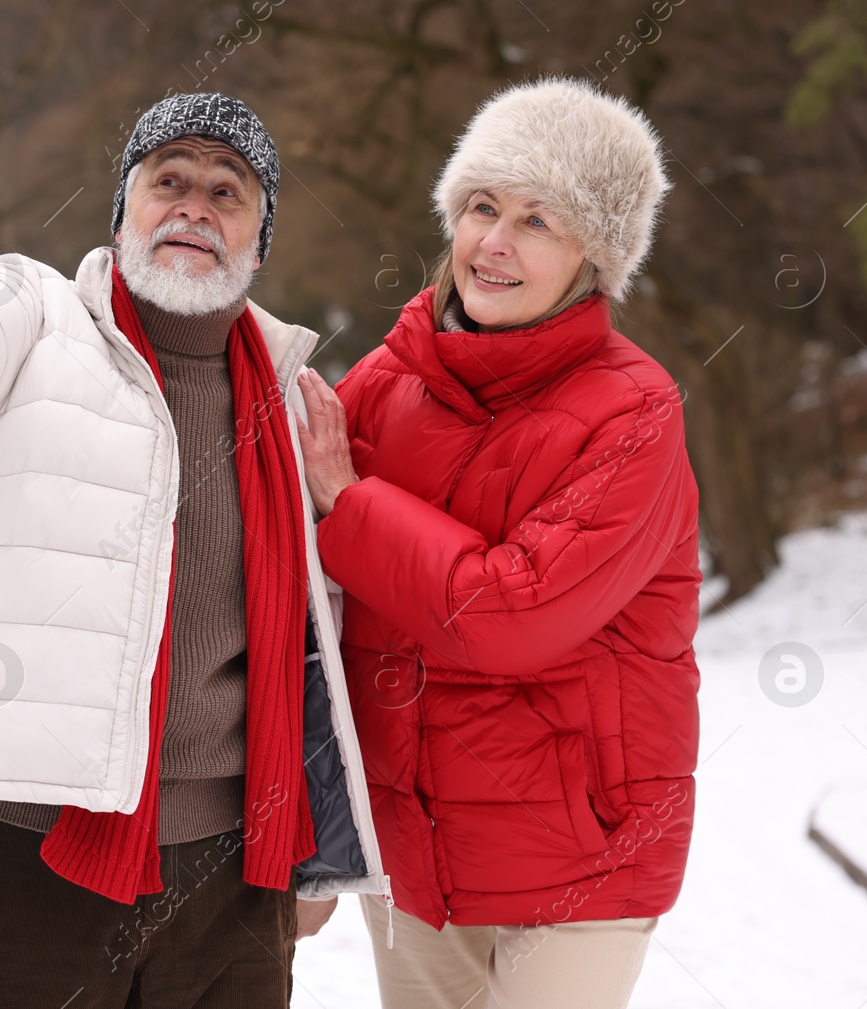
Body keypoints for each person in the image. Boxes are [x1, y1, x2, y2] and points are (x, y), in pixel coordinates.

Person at [0, 65, 387, 1008]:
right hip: (22, 846)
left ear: (258, 243)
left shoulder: (293, 403)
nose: (194, 205)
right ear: (121, 215)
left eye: (227, 191)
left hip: (232, 873)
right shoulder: (29, 323)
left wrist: (313, 852)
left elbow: (317, 651)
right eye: (168, 179)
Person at [293, 75, 702, 1009]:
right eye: (483, 206)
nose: (495, 243)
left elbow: (511, 612)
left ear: (594, 258)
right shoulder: (379, 386)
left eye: (539, 221)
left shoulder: (635, 412)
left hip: (582, 856)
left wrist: (349, 504)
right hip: (416, 850)